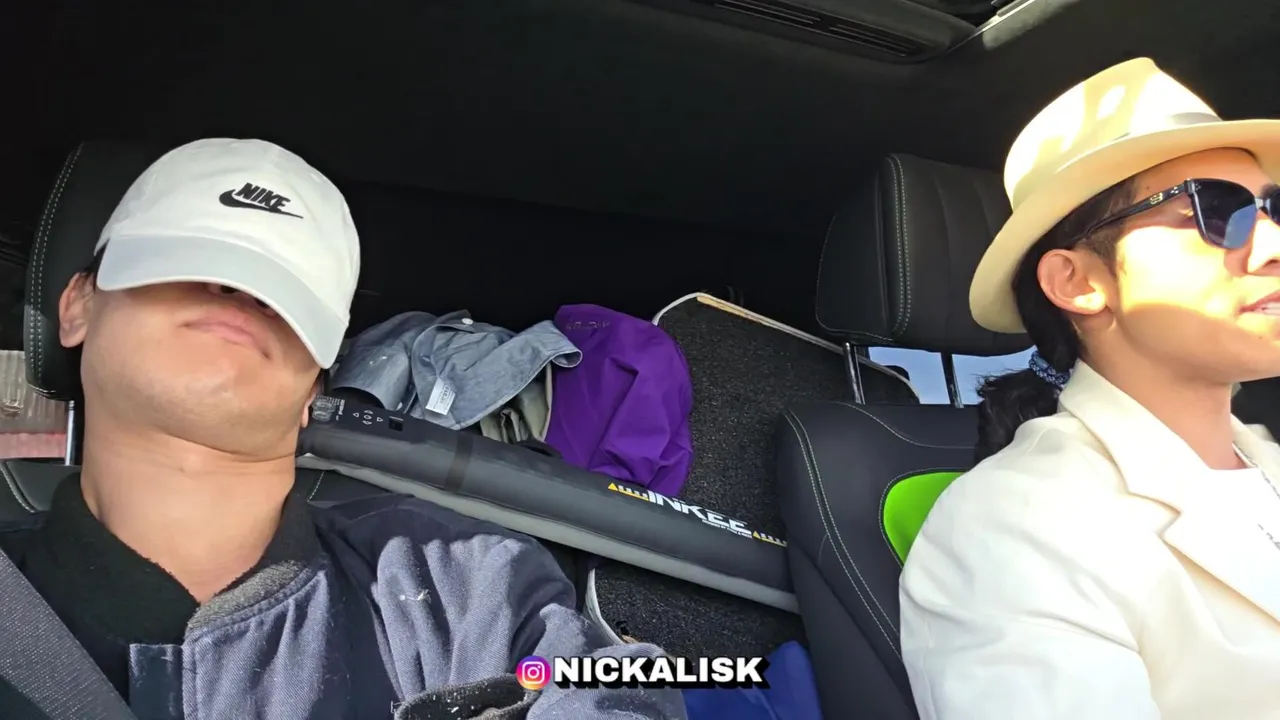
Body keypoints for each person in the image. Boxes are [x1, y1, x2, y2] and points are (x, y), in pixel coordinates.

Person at [0, 139, 686, 719]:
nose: (240, 294)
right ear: (77, 306)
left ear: (315, 387)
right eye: (189, 258)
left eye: (283, 291)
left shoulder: (465, 585)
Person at [899, 58, 1280, 720]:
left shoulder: (1266, 462)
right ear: (1076, 282)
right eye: (1216, 210)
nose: (1272, 243)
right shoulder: (1012, 527)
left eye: (1275, 208)